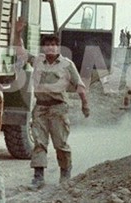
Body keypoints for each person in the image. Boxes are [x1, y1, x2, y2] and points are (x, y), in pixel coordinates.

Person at [14, 19, 90, 189]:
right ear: (43, 47)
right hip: (40, 107)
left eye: (53, 44)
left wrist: (85, 105)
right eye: (47, 44)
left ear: (58, 47)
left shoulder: (66, 65)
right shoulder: (38, 61)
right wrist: (18, 33)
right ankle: (38, 176)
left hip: (58, 108)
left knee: (60, 143)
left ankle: (65, 174)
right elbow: (20, 52)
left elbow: (79, 85)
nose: (50, 47)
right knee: (39, 142)